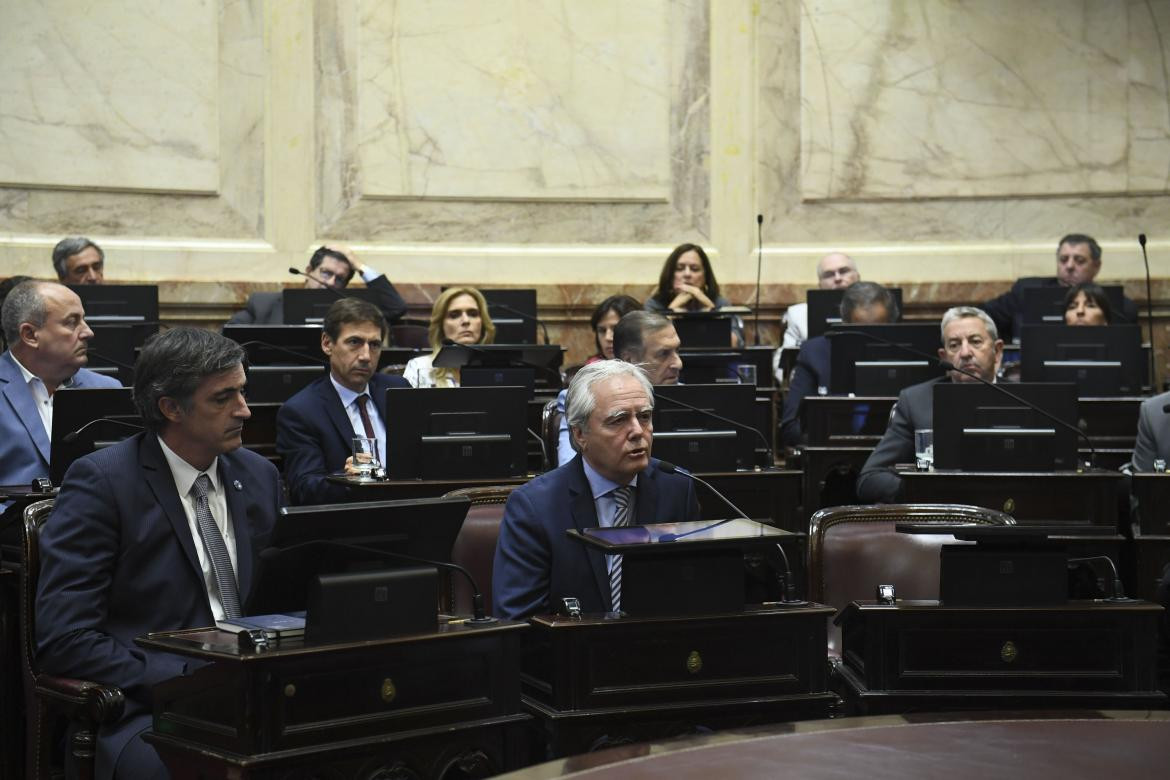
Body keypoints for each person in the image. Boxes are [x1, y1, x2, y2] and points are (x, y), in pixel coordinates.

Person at [36, 327, 283, 779]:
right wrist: (183, 678)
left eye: (243, 392)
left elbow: (279, 598)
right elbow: (65, 639)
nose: (244, 410)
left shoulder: (260, 475)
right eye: (222, 398)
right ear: (171, 408)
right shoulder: (104, 483)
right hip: (148, 709)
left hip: (258, 696)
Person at [493, 360, 700, 619]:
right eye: (619, 420)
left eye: (644, 417)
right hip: (572, 653)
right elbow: (518, 620)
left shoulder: (677, 489)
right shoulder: (535, 507)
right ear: (580, 435)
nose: (638, 431)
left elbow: (694, 595)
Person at [856, 306, 1004, 503]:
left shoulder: (1024, 400)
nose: (966, 352)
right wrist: (924, 490)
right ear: (944, 357)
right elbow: (870, 478)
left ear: (998, 351)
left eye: (975, 342)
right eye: (954, 345)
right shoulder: (917, 401)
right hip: (938, 519)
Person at [276, 297, 410, 505]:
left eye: (374, 345)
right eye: (354, 342)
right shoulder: (301, 411)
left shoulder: (398, 390)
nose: (366, 356)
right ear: (327, 343)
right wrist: (347, 480)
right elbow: (303, 489)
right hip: (350, 523)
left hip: (410, 510)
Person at [1, 281, 120, 508]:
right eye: (72, 322)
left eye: (83, 320)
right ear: (30, 334)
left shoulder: (107, 389)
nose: (88, 332)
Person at [778, 282, 898, 446]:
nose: (869, 341)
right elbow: (791, 426)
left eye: (877, 331)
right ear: (844, 323)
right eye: (861, 332)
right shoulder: (815, 353)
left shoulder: (907, 353)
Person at [556, 311, 683, 465]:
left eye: (677, 351)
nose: (678, 363)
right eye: (664, 354)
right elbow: (569, 464)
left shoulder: (694, 397)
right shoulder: (586, 398)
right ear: (629, 360)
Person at [982, 234, 1138, 343]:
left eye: (1079, 260)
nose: (1069, 266)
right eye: (1063, 259)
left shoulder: (1115, 304)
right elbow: (983, 317)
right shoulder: (1025, 291)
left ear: (1096, 266)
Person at [226, 245, 407, 326]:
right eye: (326, 273)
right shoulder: (264, 305)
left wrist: (357, 263)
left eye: (339, 279)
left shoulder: (350, 312)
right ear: (309, 270)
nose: (330, 283)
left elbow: (395, 307)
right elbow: (229, 338)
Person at [773, 252, 860, 382]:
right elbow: (782, 364)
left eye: (844, 271)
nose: (837, 278)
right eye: (829, 275)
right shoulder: (798, 314)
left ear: (858, 277)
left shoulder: (876, 310)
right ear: (820, 284)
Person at [645, 243, 744, 347]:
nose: (687, 274)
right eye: (680, 268)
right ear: (670, 275)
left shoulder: (720, 303)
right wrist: (672, 311)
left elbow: (734, 344)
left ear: (705, 276)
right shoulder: (655, 304)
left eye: (695, 269)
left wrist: (711, 312)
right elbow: (650, 346)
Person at [402, 286, 496, 388]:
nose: (466, 321)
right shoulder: (419, 367)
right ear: (441, 325)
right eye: (454, 315)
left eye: (473, 314)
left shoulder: (499, 371)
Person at [586, 294, 642, 363]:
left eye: (616, 329)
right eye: (602, 331)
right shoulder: (591, 370)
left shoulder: (654, 367)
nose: (608, 337)